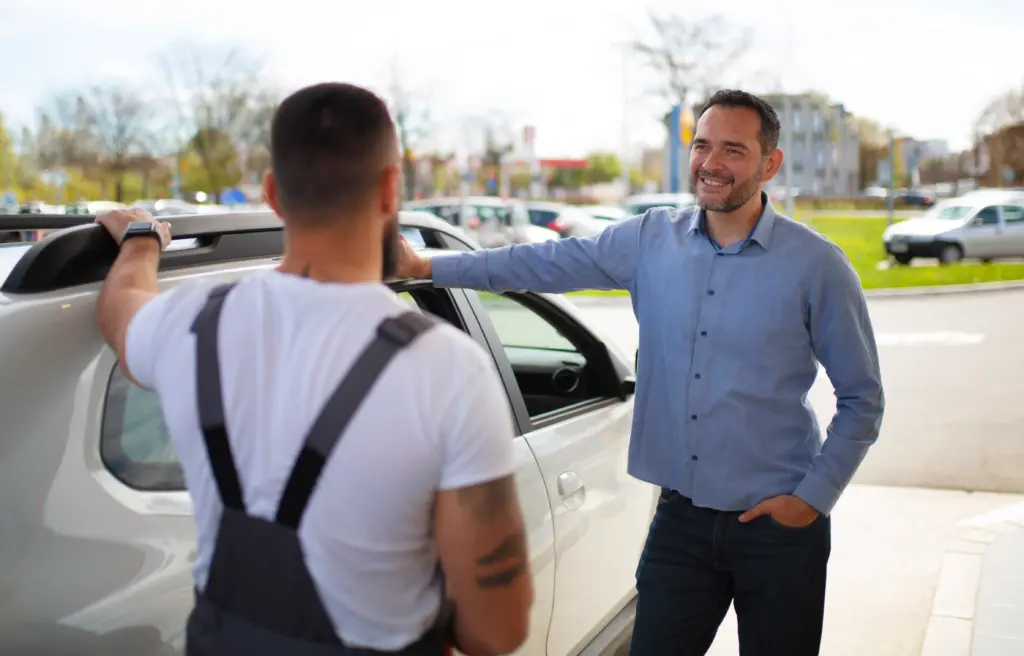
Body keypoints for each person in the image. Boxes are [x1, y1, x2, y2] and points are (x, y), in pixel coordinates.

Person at [393, 89, 885, 656]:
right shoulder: (650, 239)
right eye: (702, 145)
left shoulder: (816, 265)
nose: (712, 163)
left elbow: (862, 398)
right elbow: (539, 262)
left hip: (779, 528)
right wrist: (428, 266)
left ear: (769, 163)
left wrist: (811, 499)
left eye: (733, 150)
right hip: (681, 524)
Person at [94, 82, 533, 656]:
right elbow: (498, 631)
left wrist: (142, 238)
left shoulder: (187, 325)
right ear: (390, 189)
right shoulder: (449, 370)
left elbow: (121, 310)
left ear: (274, 193)